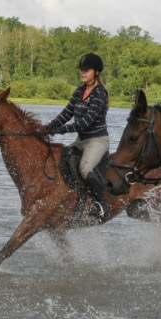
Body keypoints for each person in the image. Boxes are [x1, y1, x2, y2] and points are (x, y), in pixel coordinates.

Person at [46, 53, 111, 219]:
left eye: (86, 70)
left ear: (96, 72)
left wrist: (62, 130)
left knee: (84, 168)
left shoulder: (100, 93)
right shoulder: (80, 91)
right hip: (81, 141)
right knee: (62, 160)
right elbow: (67, 113)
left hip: (97, 140)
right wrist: (50, 126)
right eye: (81, 70)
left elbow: (85, 122)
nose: (83, 73)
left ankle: (102, 204)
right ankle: (78, 199)